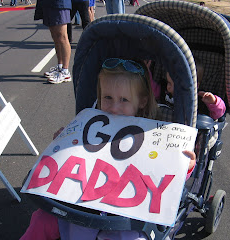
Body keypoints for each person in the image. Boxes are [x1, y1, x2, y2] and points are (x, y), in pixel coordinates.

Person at [20, 58, 196, 240]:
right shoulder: (92, 125)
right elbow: (72, 153)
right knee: (43, 219)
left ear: (142, 101)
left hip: (126, 214)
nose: (114, 107)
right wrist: (65, 140)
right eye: (108, 98)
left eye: (124, 100)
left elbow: (168, 175)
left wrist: (185, 166)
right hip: (83, 203)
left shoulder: (156, 133)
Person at [38, 0, 72, 84]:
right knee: (55, 36)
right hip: (48, 4)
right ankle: (60, 67)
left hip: (60, 4)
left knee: (62, 36)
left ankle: (65, 71)